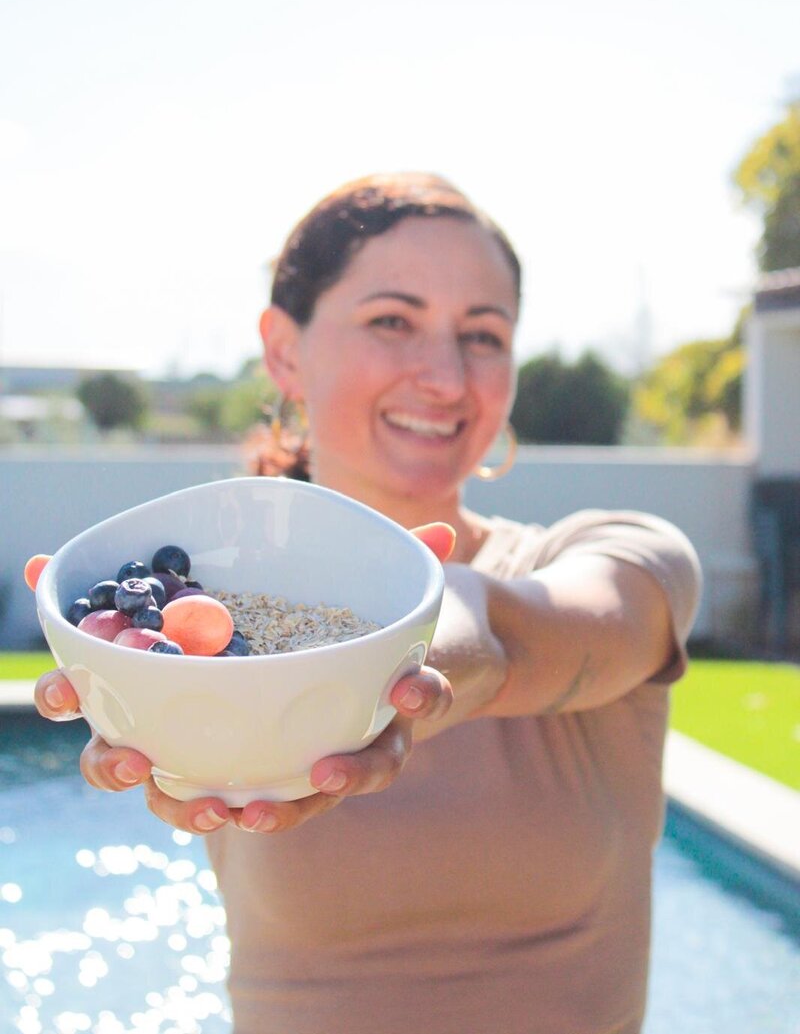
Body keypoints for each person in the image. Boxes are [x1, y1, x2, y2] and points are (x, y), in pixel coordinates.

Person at [34, 172, 702, 1034]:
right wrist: (132, 704)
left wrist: (396, 666)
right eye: (393, 321)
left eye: (483, 335)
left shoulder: (621, 556)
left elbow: (497, 628)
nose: (446, 375)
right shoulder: (212, 618)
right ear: (283, 351)